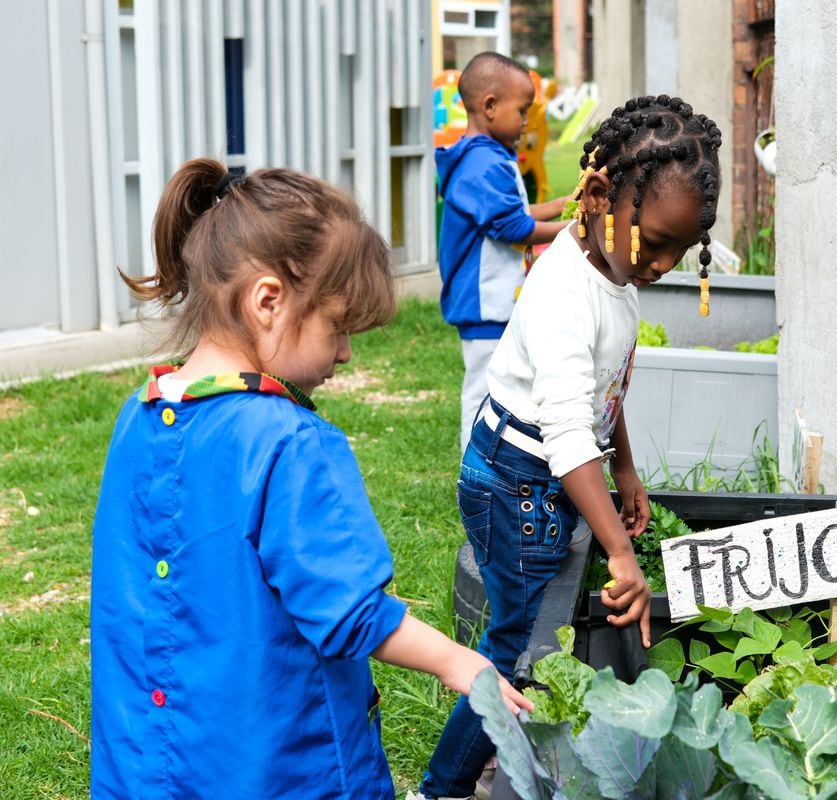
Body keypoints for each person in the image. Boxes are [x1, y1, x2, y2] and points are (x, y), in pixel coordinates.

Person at [89, 158, 532, 800]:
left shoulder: (139, 415)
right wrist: (458, 660)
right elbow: (349, 613)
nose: (346, 354)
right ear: (268, 301)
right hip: (281, 770)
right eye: (338, 327)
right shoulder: (288, 440)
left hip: (151, 769)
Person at [418, 95, 722, 800]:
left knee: (535, 629)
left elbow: (603, 384)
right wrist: (619, 550)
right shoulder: (564, 292)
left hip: (551, 471)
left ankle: (500, 753)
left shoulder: (615, 268)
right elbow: (562, 433)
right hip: (516, 475)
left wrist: (624, 466)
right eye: (657, 240)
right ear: (595, 197)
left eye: (683, 247)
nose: (665, 263)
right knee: (513, 646)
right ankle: (443, 789)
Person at [437, 51, 572, 452]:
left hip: (499, 302)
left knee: (503, 389)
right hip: (485, 305)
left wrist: (565, 203)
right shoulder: (480, 164)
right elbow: (513, 227)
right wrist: (578, 228)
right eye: (523, 109)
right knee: (482, 395)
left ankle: (497, 465)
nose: (527, 120)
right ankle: (473, 475)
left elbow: (511, 213)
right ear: (490, 106)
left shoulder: (490, 156)